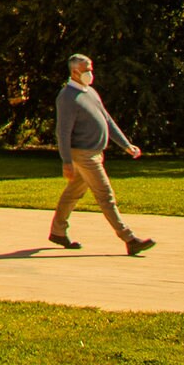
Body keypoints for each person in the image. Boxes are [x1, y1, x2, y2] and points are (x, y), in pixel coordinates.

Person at [50, 53, 155, 256]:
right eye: (86, 70)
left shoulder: (90, 92)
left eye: (91, 69)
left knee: (73, 193)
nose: (90, 73)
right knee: (105, 195)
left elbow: (107, 120)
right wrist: (67, 161)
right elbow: (62, 132)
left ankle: (57, 232)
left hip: (95, 152)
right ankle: (129, 239)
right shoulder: (66, 97)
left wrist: (126, 145)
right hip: (83, 155)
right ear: (75, 71)